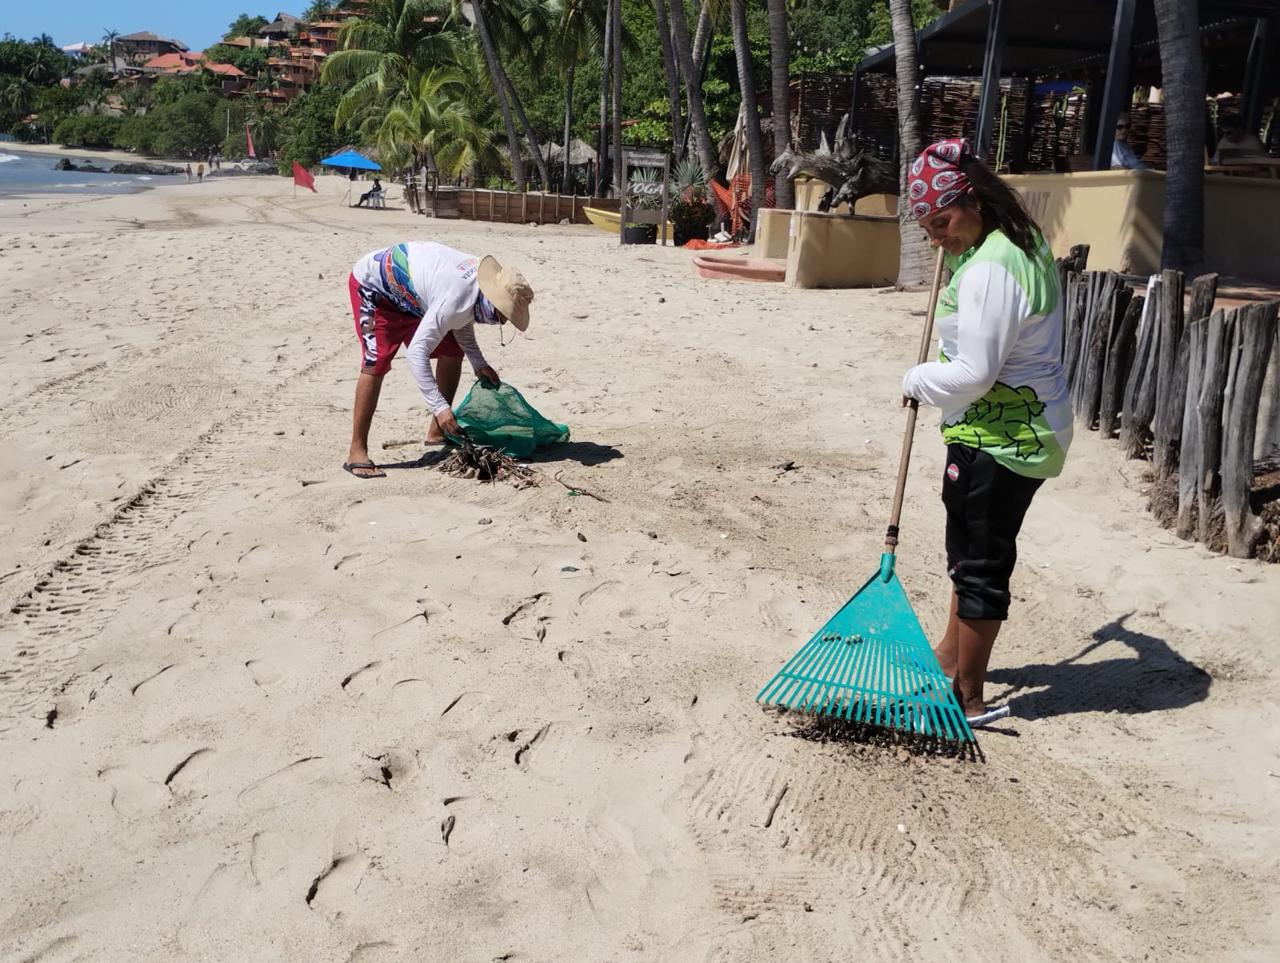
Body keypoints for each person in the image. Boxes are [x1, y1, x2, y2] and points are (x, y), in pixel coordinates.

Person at [902, 138, 1072, 726]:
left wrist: (919, 378)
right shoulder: (1008, 243)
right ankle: (950, 656)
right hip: (1012, 428)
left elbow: (974, 373)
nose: (936, 238)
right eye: (927, 228)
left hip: (1004, 438)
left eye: (942, 222)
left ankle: (966, 695)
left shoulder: (994, 269)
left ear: (972, 200)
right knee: (968, 547)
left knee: (980, 560)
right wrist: (953, 251)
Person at [343, 242, 534, 479]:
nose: (503, 323)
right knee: (376, 361)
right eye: (502, 316)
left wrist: (478, 363)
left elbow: (461, 319)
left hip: (411, 298)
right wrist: (440, 407)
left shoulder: (476, 287)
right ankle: (356, 451)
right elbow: (417, 353)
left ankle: (436, 432)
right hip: (375, 289)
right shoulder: (455, 296)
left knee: (453, 349)